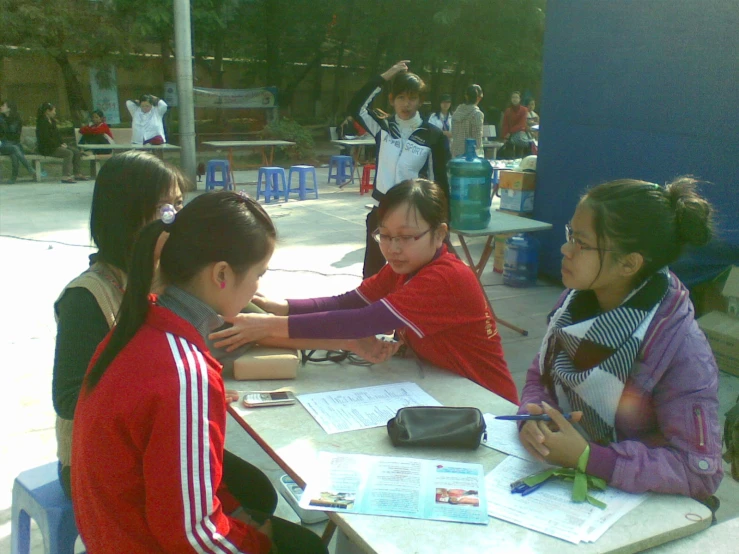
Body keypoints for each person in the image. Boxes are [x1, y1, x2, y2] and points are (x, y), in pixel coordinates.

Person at [72, 191, 328, 553]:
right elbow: (192, 535)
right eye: (258, 274)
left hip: (111, 531)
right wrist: (256, 544)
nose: (258, 287)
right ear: (221, 274)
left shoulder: (138, 324)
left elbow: (182, 480)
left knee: (260, 501)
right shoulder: (184, 372)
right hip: (136, 540)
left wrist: (238, 515)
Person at [209, 180, 518, 405]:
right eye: (385, 235)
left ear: (440, 234)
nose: (393, 249)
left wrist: (266, 325)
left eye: (406, 237)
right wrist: (282, 307)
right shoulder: (406, 267)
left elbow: (361, 321)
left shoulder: (445, 278)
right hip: (445, 386)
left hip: (487, 399)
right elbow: (349, 302)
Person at [517, 177, 723, 500]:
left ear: (629, 263)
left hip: (641, 508)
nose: (565, 249)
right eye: (570, 234)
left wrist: (592, 457)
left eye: (581, 243)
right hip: (570, 486)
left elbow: (698, 471)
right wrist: (532, 417)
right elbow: (539, 376)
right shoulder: (573, 305)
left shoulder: (679, 348)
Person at [52, 151, 186, 499]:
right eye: (165, 209)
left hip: (154, 442)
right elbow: (68, 399)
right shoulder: (87, 297)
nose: (177, 220)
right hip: (98, 461)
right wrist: (163, 392)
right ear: (126, 215)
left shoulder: (168, 276)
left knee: (256, 491)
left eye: (179, 205)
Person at [349, 60, 451, 278]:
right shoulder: (382, 127)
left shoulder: (432, 135)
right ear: (392, 99)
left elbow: (439, 182)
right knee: (372, 275)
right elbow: (355, 106)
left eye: (413, 98)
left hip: (413, 216)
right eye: (401, 97)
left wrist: (443, 222)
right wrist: (387, 74)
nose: (406, 104)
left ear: (420, 101)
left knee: (416, 275)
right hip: (382, 212)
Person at [35, 102, 85, 183]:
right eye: (53, 111)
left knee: (76, 151)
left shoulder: (52, 121)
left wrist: (62, 143)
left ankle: (77, 173)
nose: (55, 112)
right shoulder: (42, 122)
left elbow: (57, 135)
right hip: (47, 148)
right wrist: (59, 145)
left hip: (56, 145)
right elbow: (45, 138)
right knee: (68, 153)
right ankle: (66, 176)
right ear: (47, 111)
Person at [0, 99, 34, 183]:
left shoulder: (17, 119)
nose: (1, 107)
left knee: (14, 152)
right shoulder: (1, 118)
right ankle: (29, 168)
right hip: (2, 145)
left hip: (13, 144)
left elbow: (16, 135)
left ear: (9, 108)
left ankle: (13, 177)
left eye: (3, 105)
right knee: (15, 148)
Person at [451, 85, 484, 157]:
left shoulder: (456, 113)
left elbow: (453, 133)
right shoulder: (477, 114)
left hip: (455, 153)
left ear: (466, 96)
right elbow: (478, 138)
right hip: (470, 156)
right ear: (479, 98)